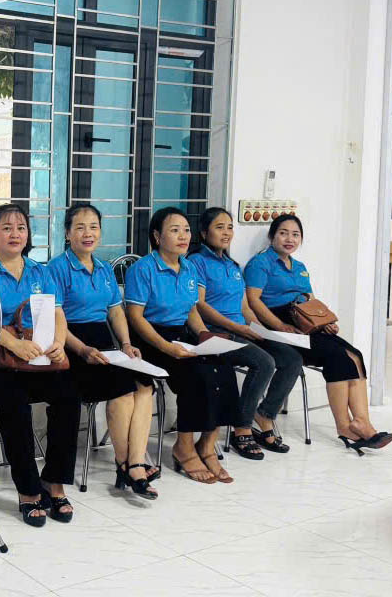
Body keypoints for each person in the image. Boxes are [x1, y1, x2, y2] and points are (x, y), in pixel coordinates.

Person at [0, 203, 79, 526]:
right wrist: (14, 344)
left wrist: (57, 343)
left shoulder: (40, 271)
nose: (15, 234)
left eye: (21, 228)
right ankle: (28, 491)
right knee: (14, 404)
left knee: (69, 396)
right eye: (6, 228)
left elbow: (58, 314)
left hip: (35, 355)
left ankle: (53, 482)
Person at [245, 214, 392, 454]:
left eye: (295, 234)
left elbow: (310, 301)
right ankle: (344, 426)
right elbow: (253, 300)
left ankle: (362, 422)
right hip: (279, 322)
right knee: (337, 357)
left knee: (354, 354)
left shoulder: (300, 268)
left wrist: (323, 321)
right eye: (283, 233)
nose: (289, 239)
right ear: (272, 236)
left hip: (303, 321)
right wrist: (278, 325)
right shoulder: (260, 263)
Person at [48, 203, 158, 500]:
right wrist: (82, 349)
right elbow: (55, 321)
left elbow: (115, 311)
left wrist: (125, 344)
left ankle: (133, 461)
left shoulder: (105, 268)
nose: (88, 233)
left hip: (105, 343)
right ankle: (129, 465)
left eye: (94, 227)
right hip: (71, 344)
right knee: (122, 390)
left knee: (146, 385)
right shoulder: (56, 268)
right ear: (67, 233)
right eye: (80, 227)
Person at [124, 207, 240, 484]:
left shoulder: (189, 267)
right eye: (174, 230)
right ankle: (184, 447)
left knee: (223, 369)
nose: (183, 236)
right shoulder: (143, 269)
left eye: (186, 230)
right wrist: (166, 347)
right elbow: (135, 317)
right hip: (151, 338)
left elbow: (191, 310)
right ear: (157, 236)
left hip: (181, 334)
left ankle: (207, 444)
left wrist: (203, 335)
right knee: (194, 375)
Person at [188, 208, 304, 460]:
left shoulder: (232, 265)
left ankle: (265, 415)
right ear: (204, 232)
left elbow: (244, 307)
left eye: (230, 227)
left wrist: (259, 330)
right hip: (218, 332)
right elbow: (200, 306)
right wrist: (238, 328)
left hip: (241, 329)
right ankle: (241, 428)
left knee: (291, 358)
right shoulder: (196, 262)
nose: (227, 232)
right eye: (220, 227)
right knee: (264, 362)